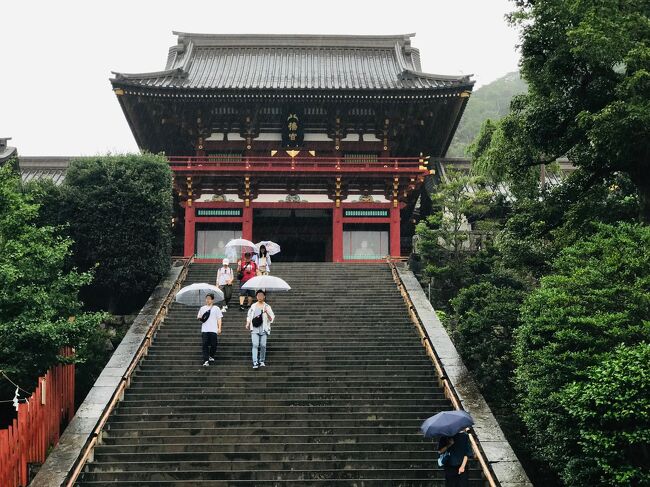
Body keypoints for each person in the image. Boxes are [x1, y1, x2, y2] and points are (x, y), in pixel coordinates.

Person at [246, 289, 275, 369]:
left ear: (264, 296)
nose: (260, 297)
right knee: (255, 345)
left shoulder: (267, 306)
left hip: (264, 329)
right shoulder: (253, 306)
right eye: (258, 295)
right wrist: (247, 323)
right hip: (254, 328)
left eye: (261, 295)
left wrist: (267, 313)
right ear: (256, 296)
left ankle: (261, 360)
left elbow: (271, 319)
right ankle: (255, 361)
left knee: (263, 345)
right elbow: (249, 316)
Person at [196, 293, 222, 367]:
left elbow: (219, 319)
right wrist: (199, 317)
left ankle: (211, 355)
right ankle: (206, 360)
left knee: (214, 344)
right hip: (205, 329)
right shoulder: (202, 308)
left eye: (209, 299)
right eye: (206, 298)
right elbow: (199, 317)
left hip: (214, 329)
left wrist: (219, 328)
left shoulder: (216, 308)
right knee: (205, 345)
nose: (207, 300)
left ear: (212, 300)